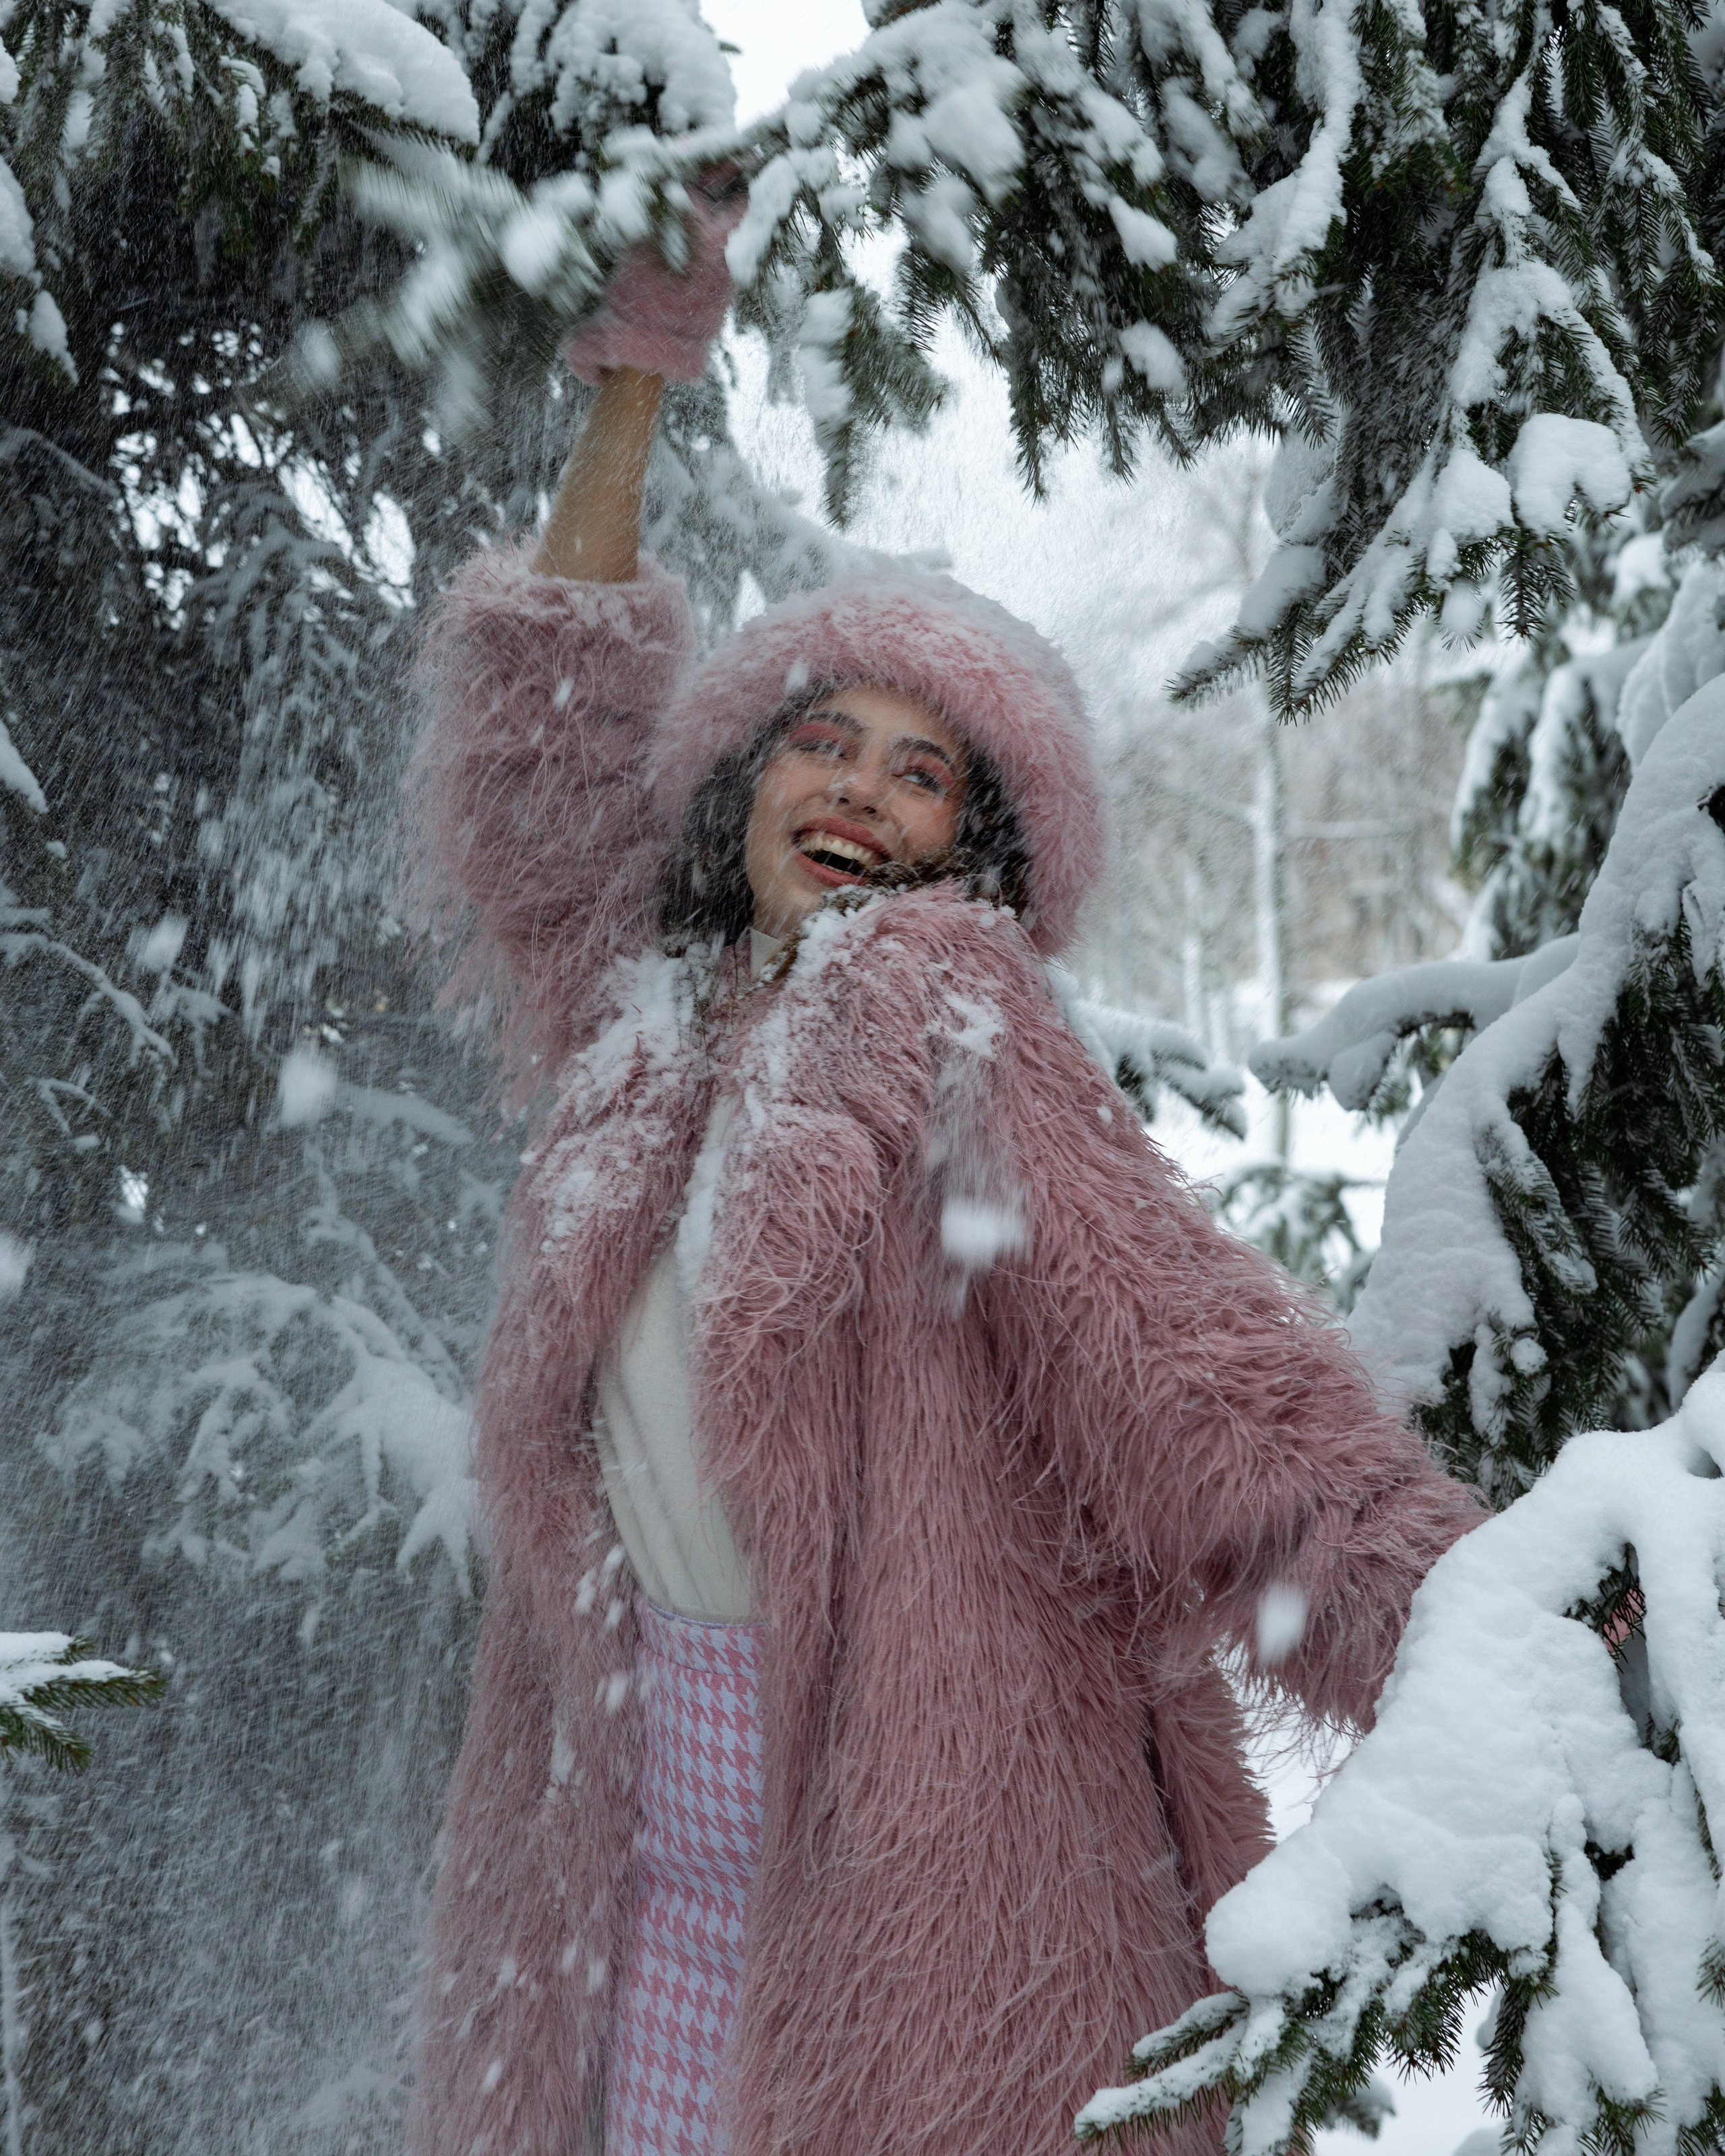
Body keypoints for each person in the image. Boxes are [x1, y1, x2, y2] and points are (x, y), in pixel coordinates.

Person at [404, 201, 1485, 2156]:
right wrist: (637, 375)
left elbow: (1180, 1358)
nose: (856, 789)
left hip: (916, 1827)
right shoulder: (645, 1017)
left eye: (920, 774)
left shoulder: (941, 1014)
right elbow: (540, 741)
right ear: (743, 790)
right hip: (629, 1815)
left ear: (968, 854)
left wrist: (1466, 1621)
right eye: (822, 744)